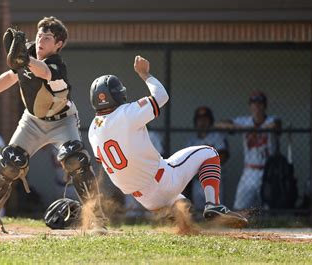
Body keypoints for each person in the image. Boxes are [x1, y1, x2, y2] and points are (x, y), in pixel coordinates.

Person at [0, 16, 104, 233]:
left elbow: (43, 72)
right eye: (39, 35)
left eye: (47, 38)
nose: (40, 40)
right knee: (8, 163)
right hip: (33, 120)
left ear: (58, 44)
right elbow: (11, 76)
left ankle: (96, 219)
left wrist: (24, 59)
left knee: (76, 160)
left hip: (62, 120)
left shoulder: (57, 64)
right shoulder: (27, 53)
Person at [88, 56, 247, 227]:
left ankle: (176, 211)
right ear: (117, 94)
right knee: (209, 153)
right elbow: (161, 96)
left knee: (182, 205)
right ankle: (214, 205)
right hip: (162, 180)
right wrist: (145, 74)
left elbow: (103, 161)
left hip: (145, 200)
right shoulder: (127, 112)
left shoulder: (92, 130)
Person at [215, 90, 281, 210]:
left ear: (265, 106)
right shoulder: (245, 121)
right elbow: (219, 124)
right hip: (249, 171)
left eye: (260, 104)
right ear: (250, 106)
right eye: (254, 104)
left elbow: (276, 125)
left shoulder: (271, 119)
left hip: (269, 171)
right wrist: (242, 128)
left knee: (269, 207)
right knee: (239, 207)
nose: (257, 107)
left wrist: (257, 129)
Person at [185, 106, 229, 211]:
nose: (202, 122)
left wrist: (205, 167)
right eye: (199, 119)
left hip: (213, 178)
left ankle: (217, 227)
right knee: (200, 211)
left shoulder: (217, 136)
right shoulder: (192, 141)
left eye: (205, 119)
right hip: (197, 181)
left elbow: (223, 155)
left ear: (210, 121)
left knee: (215, 209)